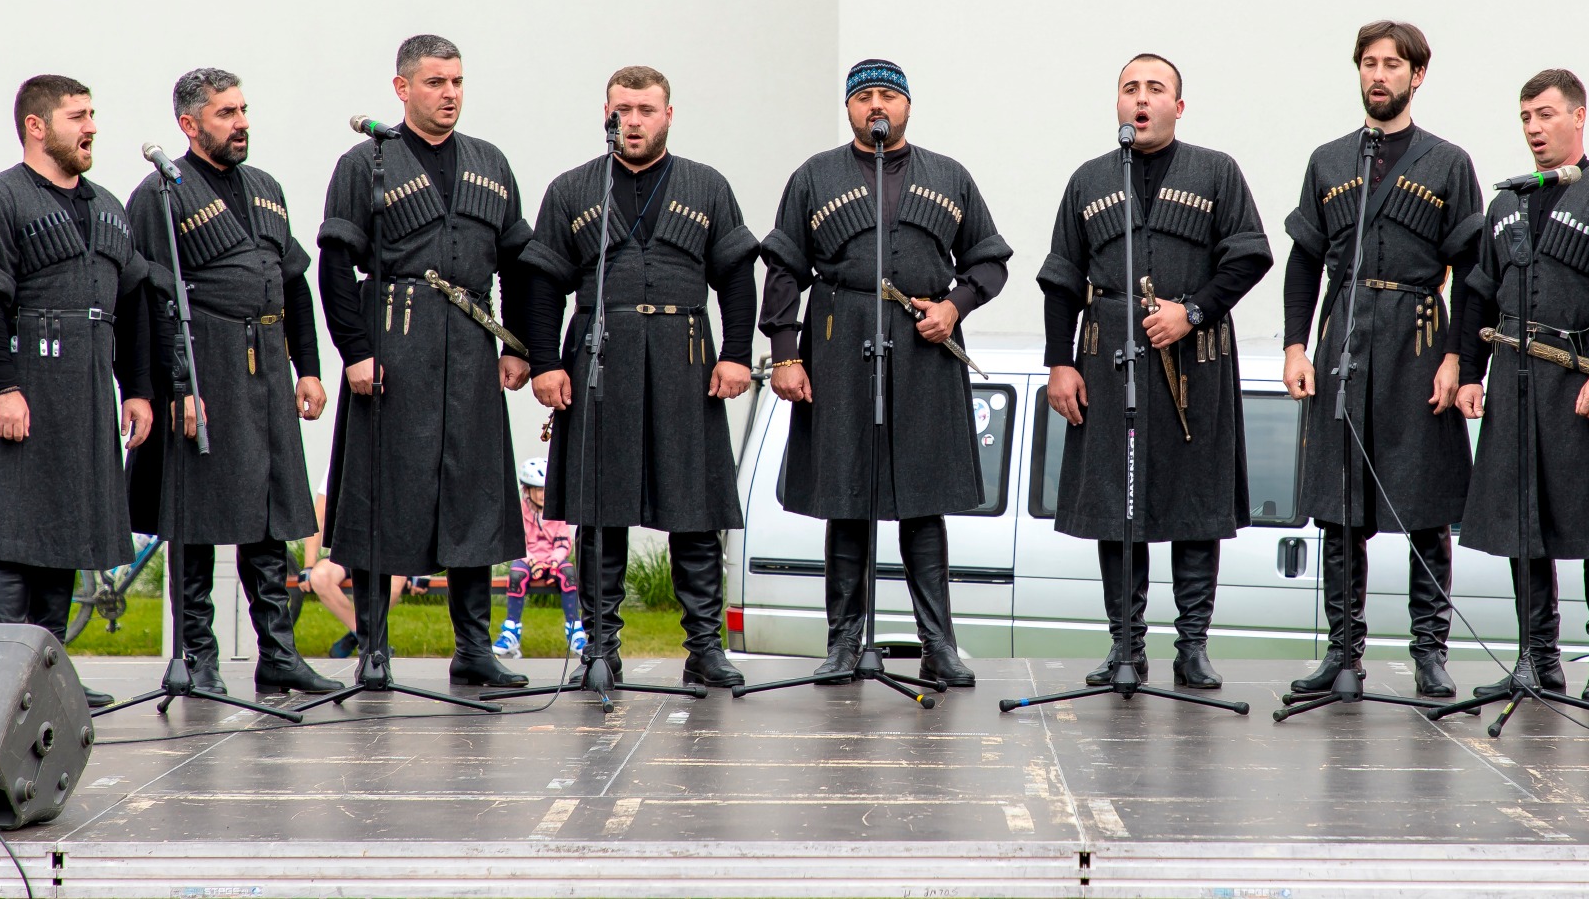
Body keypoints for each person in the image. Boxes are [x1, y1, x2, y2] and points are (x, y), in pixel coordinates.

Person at [761, 59, 1011, 688]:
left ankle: (938, 645)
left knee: (924, 503)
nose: (877, 105)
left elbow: (989, 260)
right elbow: (784, 268)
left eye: (888, 96)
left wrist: (954, 306)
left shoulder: (950, 176)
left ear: (907, 106)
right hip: (838, 344)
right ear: (849, 108)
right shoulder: (813, 176)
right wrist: (786, 353)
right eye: (864, 96)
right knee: (847, 499)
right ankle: (844, 644)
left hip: (926, 347)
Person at [1040, 54, 1272, 690]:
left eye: (1155, 89)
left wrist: (1191, 312)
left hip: (1197, 359)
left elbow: (1250, 255)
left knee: (1196, 501)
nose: (1141, 99)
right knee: (1118, 504)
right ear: (1118, 105)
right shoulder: (1089, 179)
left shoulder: (1217, 171)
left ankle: (1192, 647)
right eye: (1130, 89)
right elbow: (1061, 279)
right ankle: (1126, 647)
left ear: (1179, 105)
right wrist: (1060, 363)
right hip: (1107, 360)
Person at [526, 65, 759, 688]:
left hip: (687, 361)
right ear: (606, 115)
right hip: (600, 360)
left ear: (668, 115)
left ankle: (705, 649)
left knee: (695, 510)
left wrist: (737, 353)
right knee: (601, 512)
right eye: (622, 110)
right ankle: (600, 651)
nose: (632, 121)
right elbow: (542, 285)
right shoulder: (572, 189)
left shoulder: (707, 186)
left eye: (645, 110)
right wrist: (546, 363)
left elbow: (737, 276)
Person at [317, 34, 533, 689]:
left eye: (457, 81)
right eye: (436, 82)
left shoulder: (490, 162)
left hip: (470, 344)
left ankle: (474, 649)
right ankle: (374, 648)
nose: (449, 94)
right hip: (393, 343)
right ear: (402, 88)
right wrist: (356, 351)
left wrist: (517, 345)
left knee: (474, 494)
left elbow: (519, 263)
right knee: (381, 494)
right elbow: (334, 266)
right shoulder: (366, 163)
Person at [1282, 22, 1483, 700]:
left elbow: (1472, 272)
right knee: (1339, 510)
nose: (1378, 74)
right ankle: (1343, 653)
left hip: (1419, 338)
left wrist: (1458, 359)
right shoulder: (1329, 160)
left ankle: (1430, 653)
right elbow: (1305, 261)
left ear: (1416, 75)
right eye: (1369, 63)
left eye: (1392, 64)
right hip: (1344, 340)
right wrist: (1296, 346)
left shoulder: (1448, 162)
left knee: (1424, 505)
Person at [124, 69, 340, 696]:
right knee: (195, 519)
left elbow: (293, 283)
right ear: (189, 124)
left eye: (243, 109)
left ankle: (279, 655)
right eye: (225, 113)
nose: (241, 122)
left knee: (269, 517)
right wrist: (176, 387)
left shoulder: (266, 187)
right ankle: (198, 659)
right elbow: (149, 300)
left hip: (266, 366)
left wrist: (308, 367)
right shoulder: (160, 194)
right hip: (204, 366)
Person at [0, 75, 155, 709]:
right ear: (36, 126)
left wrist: (137, 389)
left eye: (92, 114)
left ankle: (49, 676)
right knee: (12, 532)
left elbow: (133, 305)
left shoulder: (108, 206)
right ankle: (3, 682)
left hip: (86, 388)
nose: (91, 127)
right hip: (24, 380)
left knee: (68, 531)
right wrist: (4, 389)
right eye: (77, 116)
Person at [1455, 69, 1589, 704]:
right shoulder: (1506, 203)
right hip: (1514, 382)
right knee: (1523, 526)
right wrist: (1469, 371)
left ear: (1578, 116)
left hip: (1580, 381)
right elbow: (1479, 292)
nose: (1534, 128)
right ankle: (1536, 660)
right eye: (1525, 118)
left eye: (1545, 114)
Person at [493, 459, 585, 658]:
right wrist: (533, 561)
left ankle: (575, 631)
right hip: (529, 560)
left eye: (547, 490)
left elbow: (563, 542)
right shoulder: (519, 512)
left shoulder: (557, 511)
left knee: (569, 573)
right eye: (539, 490)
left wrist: (553, 562)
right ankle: (511, 632)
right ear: (527, 490)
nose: (544, 495)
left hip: (553, 561)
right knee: (516, 574)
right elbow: (518, 543)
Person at [300, 494, 409, 659]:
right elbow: (318, 518)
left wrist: (417, 569)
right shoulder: (332, 475)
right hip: (345, 551)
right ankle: (367, 638)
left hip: (387, 553)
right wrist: (308, 566)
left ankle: (359, 636)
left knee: (396, 580)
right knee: (319, 577)